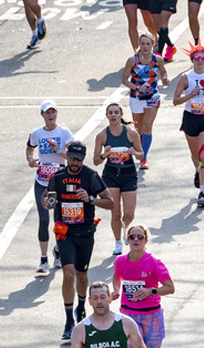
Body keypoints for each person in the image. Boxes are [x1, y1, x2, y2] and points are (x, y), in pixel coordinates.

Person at [43, 141, 114, 341]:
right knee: (68, 274)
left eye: (79, 159)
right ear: (68, 156)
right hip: (65, 233)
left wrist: (90, 199)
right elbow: (45, 200)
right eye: (72, 158)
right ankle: (68, 321)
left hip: (85, 233)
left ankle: (81, 308)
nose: (75, 163)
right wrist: (48, 201)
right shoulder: (57, 177)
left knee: (82, 274)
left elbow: (111, 202)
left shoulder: (91, 176)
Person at [173, 39, 204, 207]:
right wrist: (190, 95)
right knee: (195, 156)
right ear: (192, 60)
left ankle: (202, 192)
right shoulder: (185, 77)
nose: (200, 60)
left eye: (203, 57)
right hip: (191, 118)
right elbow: (175, 101)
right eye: (197, 58)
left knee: (203, 155)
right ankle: (197, 170)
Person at [26, 100, 74, 275]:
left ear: (57, 113)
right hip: (42, 181)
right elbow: (29, 149)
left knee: (59, 221)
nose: (51, 115)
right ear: (42, 115)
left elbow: (75, 155)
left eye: (53, 112)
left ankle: (58, 252)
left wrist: (58, 151)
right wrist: (30, 159)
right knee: (44, 220)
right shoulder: (37, 133)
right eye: (48, 113)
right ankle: (43, 259)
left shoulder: (64, 132)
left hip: (59, 183)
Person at [93, 102, 144, 256]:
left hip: (128, 173)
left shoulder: (131, 134)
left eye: (116, 112)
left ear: (121, 115)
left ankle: (124, 227)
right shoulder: (102, 136)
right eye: (110, 113)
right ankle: (117, 242)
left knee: (129, 213)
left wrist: (134, 152)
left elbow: (141, 154)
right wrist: (104, 155)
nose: (113, 115)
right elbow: (96, 161)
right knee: (115, 212)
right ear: (107, 116)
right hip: (111, 174)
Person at [113, 224, 175, 348]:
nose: (136, 239)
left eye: (140, 237)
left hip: (151, 314)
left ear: (145, 240)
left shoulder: (155, 262)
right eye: (132, 237)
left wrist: (150, 291)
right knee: (131, 346)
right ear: (128, 239)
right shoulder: (120, 261)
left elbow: (170, 288)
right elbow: (116, 276)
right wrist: (116, 289)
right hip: (128, 313)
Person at [121, 33, 169, 168]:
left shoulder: (157, 59)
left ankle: (143, 158)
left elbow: (163, 72)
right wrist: (137, 87)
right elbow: (124, 80)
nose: (145, 47)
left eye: (148, 44)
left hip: (152, 95)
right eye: (143, 44)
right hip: (136, 97)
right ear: (139, 45)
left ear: (153, 45)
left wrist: (165, 79)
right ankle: (138, 150)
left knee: (147, 127)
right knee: (139, 129)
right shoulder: (132, 60)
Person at [70, 281, 146, 348]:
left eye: (103, 297)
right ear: (90, 301)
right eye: (95, 298)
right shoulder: (80, 330)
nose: (99, 301)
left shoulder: (126, 323)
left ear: (110, 298)